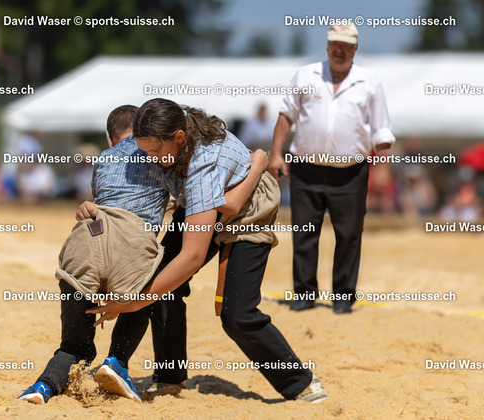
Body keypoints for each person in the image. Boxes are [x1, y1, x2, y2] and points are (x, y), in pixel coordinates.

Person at [18, 105, 267, 405]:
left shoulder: (104, 159)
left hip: (83, 245)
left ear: (110, 140)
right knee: (151, 284)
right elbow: (205, 199)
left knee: (73, 346)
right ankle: (117, 361)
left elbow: (110, 201)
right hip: (131, 248)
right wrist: (256, 165)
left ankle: (43, 386)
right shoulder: (163, 159)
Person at [86, 98, 326, 404]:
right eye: (145, 151)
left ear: (179, 138)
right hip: (204, 204)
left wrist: (134, 302)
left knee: (236, 315)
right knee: (164, 285)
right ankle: (170, 376)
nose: (150, 159)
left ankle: (301, 383)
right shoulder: (166, 137)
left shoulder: (205, 162)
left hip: (248, 213)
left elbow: (196, 252)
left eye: (155, 152)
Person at [267, 23, 396, 314]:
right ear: (327, 46)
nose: (340, 50)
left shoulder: (369, 82)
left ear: (355, 49)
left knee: (349, 235)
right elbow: (286, 116)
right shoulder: (305, 75)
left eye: (346, 46)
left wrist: (383, 169)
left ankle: (343, 296)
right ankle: (304, 293)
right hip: (305, 170)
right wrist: (276, 154)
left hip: (351, 173)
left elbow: (381, 131)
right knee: (304, 232)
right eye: (335, 44)